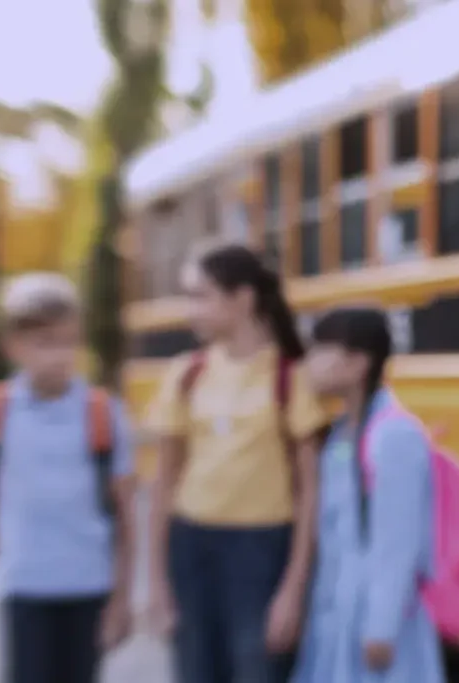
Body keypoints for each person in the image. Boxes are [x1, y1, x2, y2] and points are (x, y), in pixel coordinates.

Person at [145, 244, 327, 683]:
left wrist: (292, 591)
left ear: (242, 299)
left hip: (262, 553)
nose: (190, 309)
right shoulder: (185, 374)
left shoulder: (290, 378)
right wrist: (158, 585)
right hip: (192, 550)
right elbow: (163, 482)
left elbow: (309, 495)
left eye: (200, 296)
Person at [0, 272, 136, 683]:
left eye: (69, 342)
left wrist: (123, 599)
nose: (59, 356)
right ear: (13, 346)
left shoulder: (102, 412)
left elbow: (124, 515)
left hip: (89, 586)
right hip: (25, 585)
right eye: (45, 343)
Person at [291, 307, 446, 683]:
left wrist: (382, 626)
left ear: (358, 363)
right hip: (339, 614)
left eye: (321, 351)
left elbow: (398, 541)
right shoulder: (345, 431)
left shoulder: (393, 435)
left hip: (374, 625)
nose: (309, 363)